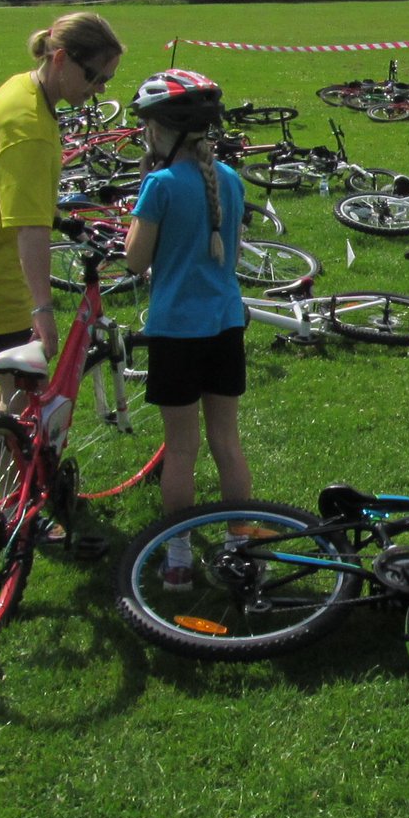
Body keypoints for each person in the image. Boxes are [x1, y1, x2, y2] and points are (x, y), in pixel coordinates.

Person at [0, 11, 124, 410]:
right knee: (30, 397)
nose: (100, 89)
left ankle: (2, 445)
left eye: (108, 80)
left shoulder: (22, 88)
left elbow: (14, 192)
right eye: (94, 77)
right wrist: (43, 311)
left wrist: (60, 219)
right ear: (61, 58)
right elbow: (29, 230)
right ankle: (5, 451)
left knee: (16, 395)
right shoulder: (27, 127)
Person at [123, 69, 251, 590]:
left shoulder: (159, 185)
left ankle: (179, 555)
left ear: (160, 131)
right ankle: (241, 545)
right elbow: (228, 250)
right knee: (227, 441)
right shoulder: (231, 180)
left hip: (176, 330)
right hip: (225, 324)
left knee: (181, 449)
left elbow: (135, 261)